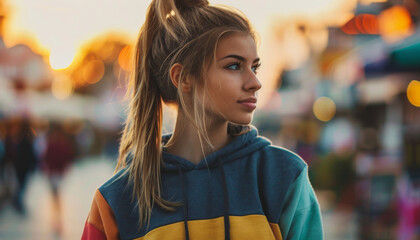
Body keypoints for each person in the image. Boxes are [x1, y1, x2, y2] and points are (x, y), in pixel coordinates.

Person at [82, 0, 323, 239]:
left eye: (254, 67)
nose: (255, 82)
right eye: (234, 66)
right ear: (184, 77)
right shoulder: (116, 200)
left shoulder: (283, 176)